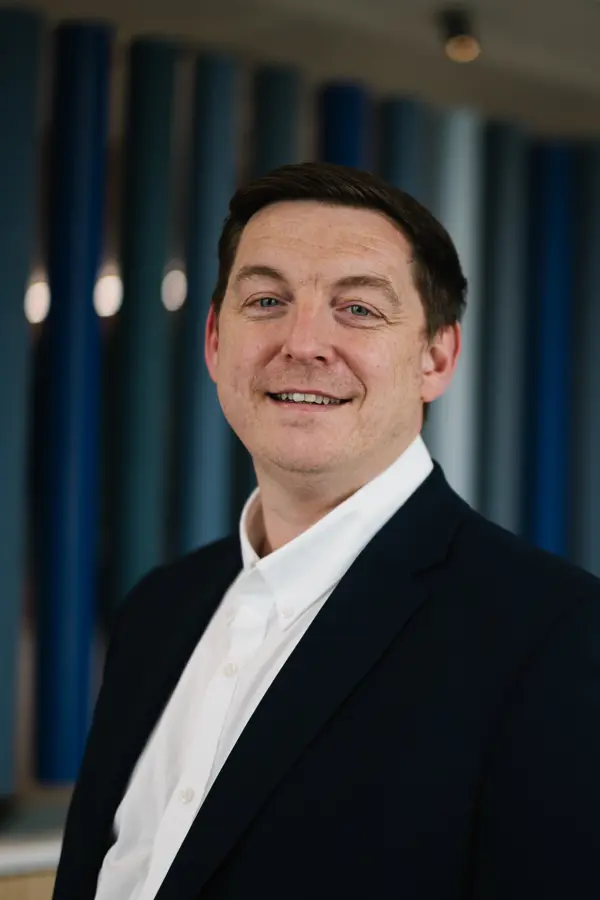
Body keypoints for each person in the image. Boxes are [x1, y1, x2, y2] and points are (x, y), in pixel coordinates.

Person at [53, 162, 600, 900]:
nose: (303, 342)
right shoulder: (159, 607)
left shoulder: (555, 634)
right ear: (214, 340)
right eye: (267, 300)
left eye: (359, 309)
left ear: (436, 357)